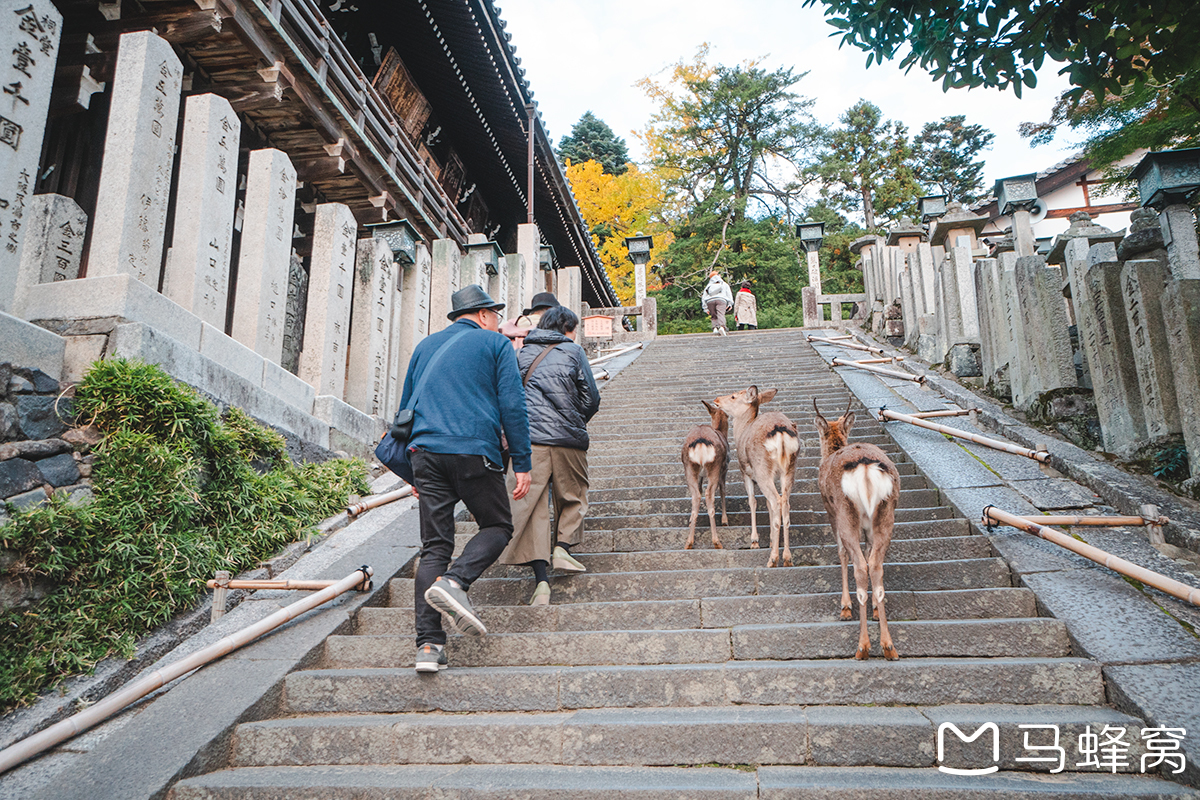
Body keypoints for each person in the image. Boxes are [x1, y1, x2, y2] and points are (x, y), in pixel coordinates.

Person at [400, 284, 532, 674]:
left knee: (434, 546)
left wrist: (412, 470)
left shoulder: (426, 346)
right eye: (494, 314)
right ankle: (456, 582)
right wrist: (522, 461)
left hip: (424, 452)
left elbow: (408, 403)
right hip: (474, 449)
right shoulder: (495, 346)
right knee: (496, 525)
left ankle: (428, 648)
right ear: (483, 316)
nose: (496, 320)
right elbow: (513, 403)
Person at [498, 305, 600, 604]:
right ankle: (563, 548)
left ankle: (541, 584)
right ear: (567, 328)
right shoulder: (573, 352)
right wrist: (572, 419)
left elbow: (508, 399)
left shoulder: (521, 355)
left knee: (529, 508)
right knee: (574, 495)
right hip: (568, 440)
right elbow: (591, 398)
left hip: (528, 443)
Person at [701, 271, 734, 336]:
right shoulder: (724, 284)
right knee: (721, 314)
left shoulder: (709, 285)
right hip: (721, 300)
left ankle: (715, 328)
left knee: (713, 315)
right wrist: (730, 304)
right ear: (718, 276)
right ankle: (722, 327)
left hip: (709, 301)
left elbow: (704, 297)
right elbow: (729, 294)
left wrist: (705, 308)